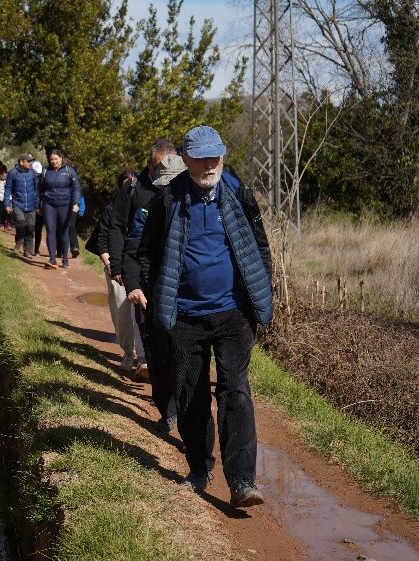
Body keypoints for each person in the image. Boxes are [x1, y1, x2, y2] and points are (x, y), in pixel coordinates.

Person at [126, 125, 273, 508]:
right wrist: (145, 290)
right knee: (191, 392)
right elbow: (146, 253)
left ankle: (242, 481)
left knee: (235, 390)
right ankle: (198, 468)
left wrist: (261, 293)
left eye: (216, 156)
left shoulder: (239, 194)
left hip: (233, 314)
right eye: (203, 157)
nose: (210, 164)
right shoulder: (167, 201)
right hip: (186, 315)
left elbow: (259, 248)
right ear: (186, 158)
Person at [107, 140, 184, 428]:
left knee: (179, 345)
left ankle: (180, 404)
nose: (160, 173)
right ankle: (167, 408)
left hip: (175, 278)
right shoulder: (133, 189)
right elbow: (117, 228)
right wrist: (120, 269)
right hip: (141, 273)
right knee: (153, 344)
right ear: (150, 164)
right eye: (155, 167)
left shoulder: (182, 189)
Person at [84, 168, 146, 371]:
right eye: (127, 184)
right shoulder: (111, 211)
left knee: (143, 314)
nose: (131, 187)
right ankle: (129, 353)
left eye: (133, 183)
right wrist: (113, 267)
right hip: (116, 267)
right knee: (122, 314)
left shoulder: (147, 206)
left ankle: (144, 358)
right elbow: (102, 241)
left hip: (140, 266)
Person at [39, 149, 81, 269]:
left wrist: (76, 203)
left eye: (55, 159)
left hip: (65, 205)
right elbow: (40, 189)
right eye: (51, 159)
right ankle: (52, 260)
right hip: (49, 205)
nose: (53, 161)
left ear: (61, 158)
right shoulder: (45, 171)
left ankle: (65, 259)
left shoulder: (69, 171)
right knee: (50, 230)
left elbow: (76, 188)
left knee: (63, 231)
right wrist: (39, 205)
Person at [4, 154, 40, 257]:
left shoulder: (33, 173)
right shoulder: (13, 173)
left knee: (30, 227)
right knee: (21, 223)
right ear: (21, 162)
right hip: (18, 204)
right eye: (28, 161)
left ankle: (27, 250)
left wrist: (37, 204)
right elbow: (8, 189)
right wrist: (7, 204)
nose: (30, 163)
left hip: (31, 205)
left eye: (31, 161)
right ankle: (19, 241)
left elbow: (37, 189)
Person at [68, 193, 85, 258]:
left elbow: (80, 195)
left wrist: (81, 209)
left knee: (71, 226)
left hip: (73, 207)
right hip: (60, 206)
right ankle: (59, 249)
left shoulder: (76, 184)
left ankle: (74, 248)